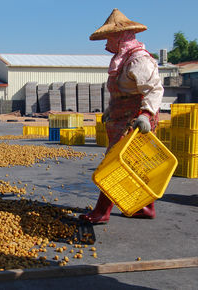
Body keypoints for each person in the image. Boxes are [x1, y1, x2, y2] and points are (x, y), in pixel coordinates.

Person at [79, 8, 164, 224]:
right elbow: (124, 91)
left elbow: (154, 89)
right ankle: (145, 207)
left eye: (108, 37)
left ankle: (101, 211)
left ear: (119, 37)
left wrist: (146, 114)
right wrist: (111, 109)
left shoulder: (138, 60)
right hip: (121, 116)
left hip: (135, 121)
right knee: (133, 164)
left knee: (114, 164)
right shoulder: (123, 58)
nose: (106, 43)